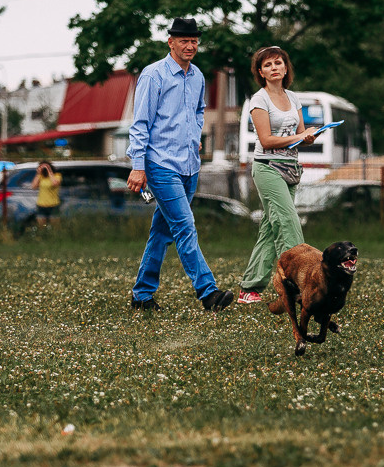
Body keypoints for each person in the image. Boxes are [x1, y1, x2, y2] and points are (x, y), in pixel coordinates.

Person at [125, 17, 234, 312]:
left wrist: (194, 136)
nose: (190, 46)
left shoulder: (197, 75)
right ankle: (208, 292)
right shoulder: (154, 75)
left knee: (162, 232)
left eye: (194, 41)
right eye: (184, 41)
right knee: (185, 227)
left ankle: (142, 295)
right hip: (160, 164)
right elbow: (140, 123)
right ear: (170, 42)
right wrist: (138, 166)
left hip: (190, 165)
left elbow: (199, 110)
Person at [238, 45, 322, 304]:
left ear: (286, 68)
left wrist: (310, 136)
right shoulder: (258, 100)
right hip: (267, 167)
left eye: (278, 63)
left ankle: (250, 288)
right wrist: (299, 136)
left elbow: (298, 137)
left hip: (290, 168)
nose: (274, 68)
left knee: (271, 229)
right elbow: (266, 139)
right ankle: (301, 283)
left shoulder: (293, 97)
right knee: (287, 222)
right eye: (268, 65)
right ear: (260, 72)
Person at [31, 159, 61, 227]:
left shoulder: (57, 176)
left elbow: (55, 183)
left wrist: (49, 170)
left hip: (53, 205)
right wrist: (38, 173)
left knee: (55, 227)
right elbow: (33, 186)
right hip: (41, 205)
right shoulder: (40, 176)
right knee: (42, 226)